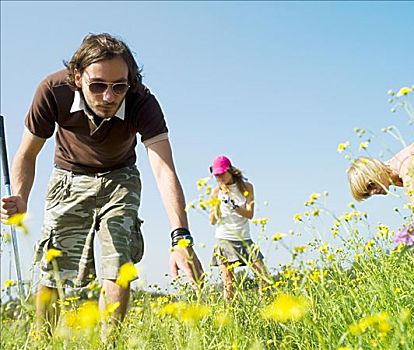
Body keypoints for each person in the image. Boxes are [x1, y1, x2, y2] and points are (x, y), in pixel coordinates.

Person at [0, 33, 203, 335]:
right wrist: (20, 196)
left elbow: (163, 169)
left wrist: (181, 238)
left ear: (130, 83)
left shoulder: (142, 102)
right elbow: (26, 154)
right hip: (68, 176)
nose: (109, 96)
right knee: (54, 268)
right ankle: (42, 340)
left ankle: (111, 343)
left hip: (120, 177)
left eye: (118, 86)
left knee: (118, 265)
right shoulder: (52, 90)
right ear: (77, 77)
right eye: (97, 85)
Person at [208, 155, 269, 300]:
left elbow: (249, 214)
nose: (220, 178)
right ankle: (230, 318)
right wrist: (218, 205)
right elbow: (212, 220)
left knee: (263, 275)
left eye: (222, 173)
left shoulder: (247, 188)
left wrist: (233, 205)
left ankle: (265, 308)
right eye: (217, 175)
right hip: (225, 239)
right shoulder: (216, 192)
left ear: (230, 170)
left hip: (244, 238)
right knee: (229, 284)